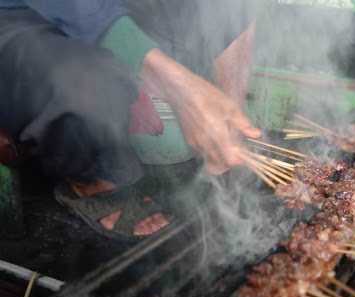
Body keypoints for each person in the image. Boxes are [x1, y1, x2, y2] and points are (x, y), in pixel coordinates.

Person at [0, 0, 262, 239]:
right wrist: (170, 83)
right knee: (85, 88)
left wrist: (230, 115)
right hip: (32, 15)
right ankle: (94, 182)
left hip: (129, 12)